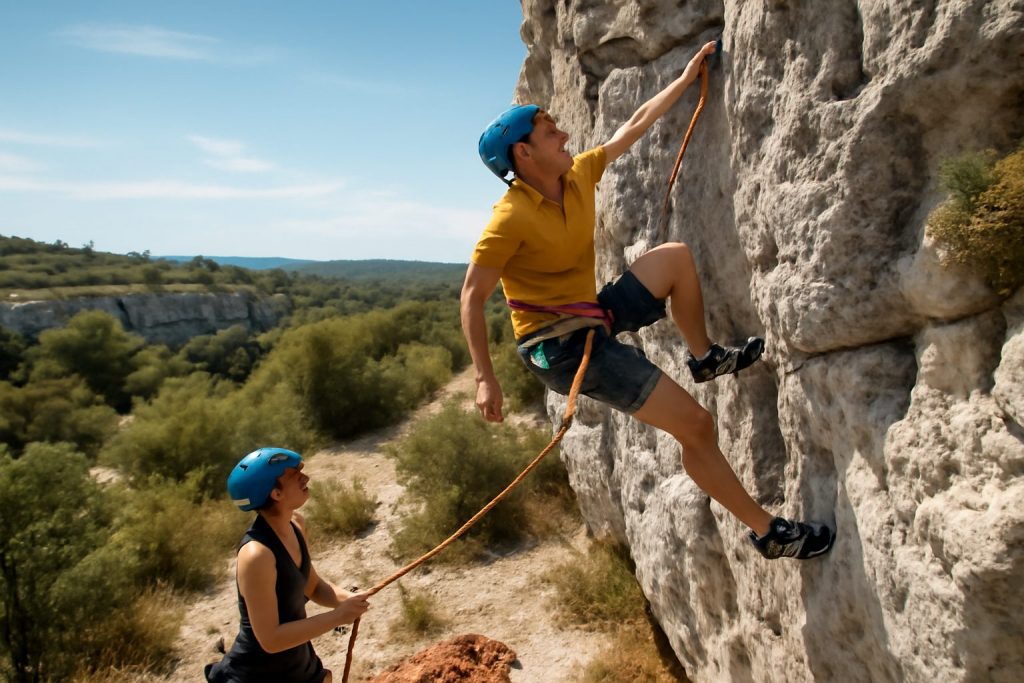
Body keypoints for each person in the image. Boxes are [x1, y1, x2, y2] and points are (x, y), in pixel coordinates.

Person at [462, 41, 835, 560]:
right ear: (523, 154)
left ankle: (705, 358)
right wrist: (485, 376)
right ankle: (770, 533)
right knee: (697, 426)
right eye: (551, 132)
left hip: (591, 314)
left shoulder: (575, 178)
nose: (565, 134)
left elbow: (631, 126)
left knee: (675, 258)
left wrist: (684, 81)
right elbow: (472, 295)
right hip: (562, 349)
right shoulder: (509, 218)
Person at [205, 448, 371, 682]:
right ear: (276, 493)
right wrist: (338, 617)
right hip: (259, 675)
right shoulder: (256, 555)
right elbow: (271, 639)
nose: (306, 478)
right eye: (294, 474)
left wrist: (348, 600)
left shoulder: (296, 525)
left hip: (297, 663)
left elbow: (312, 587)